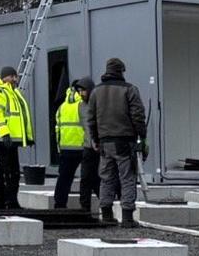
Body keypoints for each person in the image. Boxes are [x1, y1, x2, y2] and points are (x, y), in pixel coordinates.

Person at [83, 56, 148, 228]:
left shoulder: (96, 91)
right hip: (125, 142)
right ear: (121, 71)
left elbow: (91, 119)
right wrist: (142, 136)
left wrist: (95, 139)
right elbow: (138, 115)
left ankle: (106, 215)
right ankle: (127, 217)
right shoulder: (130, 89)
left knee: (106, 178)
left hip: (105, 143)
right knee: (127, 178)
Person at [0, 65, 33, 212]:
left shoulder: (12, 92)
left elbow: (19, 117)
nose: (15, 79)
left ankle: (1, 202)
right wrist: (4, 132)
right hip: (2, 139)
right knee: (11, 172)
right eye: (13, 76)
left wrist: (27, 137)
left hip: (9, 140)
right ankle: (11, 203)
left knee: (5, 171)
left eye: (15, 76)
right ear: (6, 77)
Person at [51, 77, 95, 211]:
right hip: (84, 146)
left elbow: (58, 129)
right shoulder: (82, 105)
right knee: (90, 177)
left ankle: (59, 204)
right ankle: (95, 206)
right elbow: (88, 126)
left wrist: (59, 148)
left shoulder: (62, 107)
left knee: (64, 178)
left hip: (66, 148)